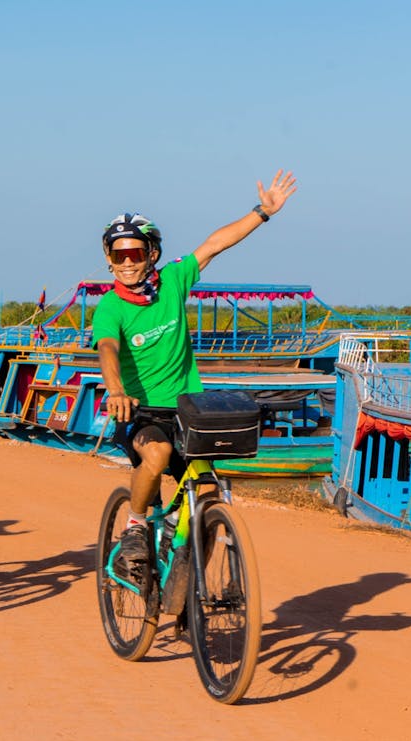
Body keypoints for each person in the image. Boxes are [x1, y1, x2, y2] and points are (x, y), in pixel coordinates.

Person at [93, 170, 298, 573]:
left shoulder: (172, 281)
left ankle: (189, 584)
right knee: (158, 454)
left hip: (187, 410)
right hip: (139, 412)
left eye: (136, 253)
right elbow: (107, 350)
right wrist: (115, 390)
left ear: (152, 254)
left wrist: (263, 212)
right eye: (120, 255)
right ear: (110, 260)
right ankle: (135, 526)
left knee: (207, 493)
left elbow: (214, 245)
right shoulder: (110, 308)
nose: (128, 262)